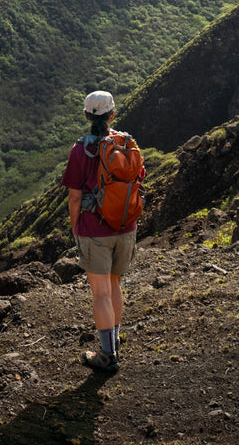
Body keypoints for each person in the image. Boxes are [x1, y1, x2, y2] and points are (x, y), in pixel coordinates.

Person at [61, 89, 143, 373]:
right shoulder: (126, 144)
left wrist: (76, 228)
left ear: (86, 115)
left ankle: (107, 356)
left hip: (95, 230)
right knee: (115, 285)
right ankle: (114, 342)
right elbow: (138, 179)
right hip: (126, 226)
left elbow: (74, 197)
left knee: (100, 294)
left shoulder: (80, 149)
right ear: (113, 114)